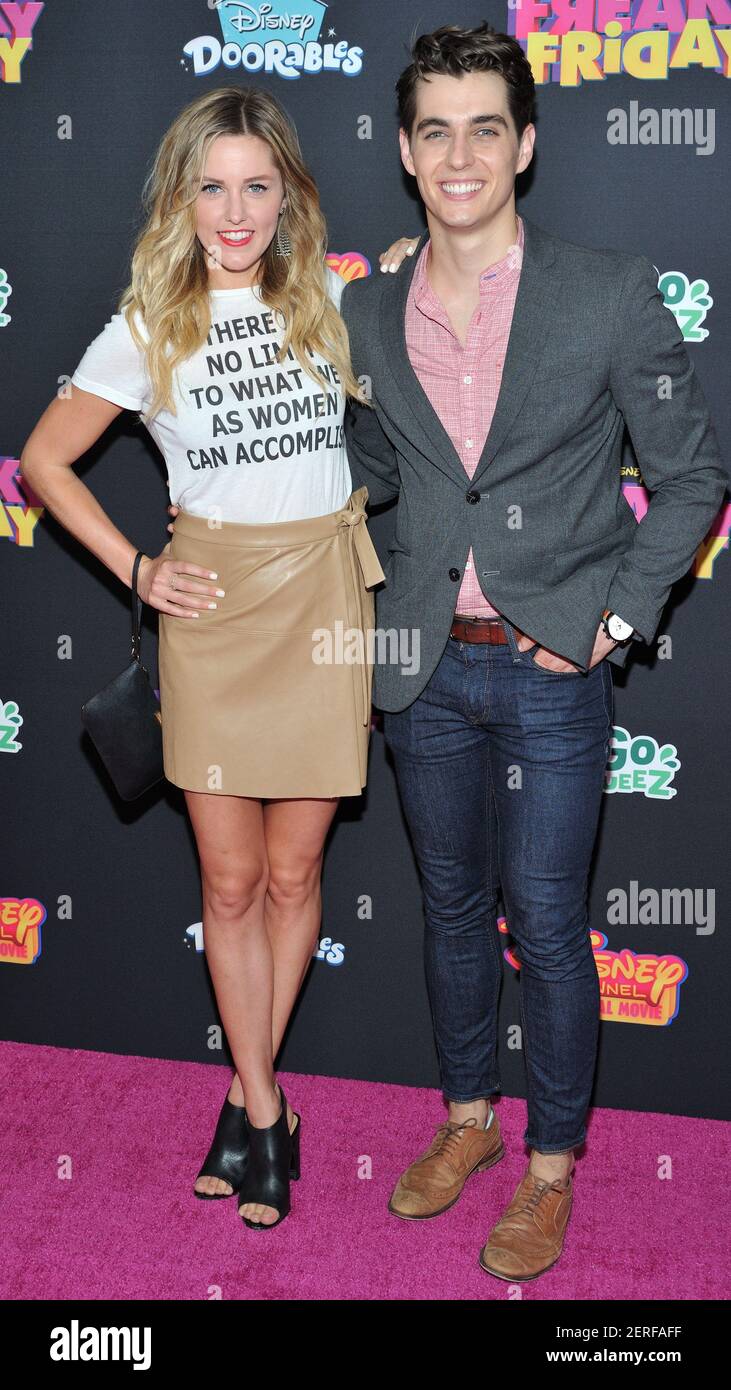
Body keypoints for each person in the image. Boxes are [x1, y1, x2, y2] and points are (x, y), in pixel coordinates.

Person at [340, 22, 727, 1280]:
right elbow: (378, 475)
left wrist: (610, 625)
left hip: (551, 665)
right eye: (435, 130)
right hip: (421, 668)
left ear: (525, 143)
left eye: (484, 127)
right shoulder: (367, 302)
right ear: (405, 151)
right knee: (450, 908)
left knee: (547, 923)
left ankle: (549, 1169)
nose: (460, 154)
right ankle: (465, 1118)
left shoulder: (609, 290)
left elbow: (688, 477)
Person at [19, 85, 390, 1233]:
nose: (234, 211)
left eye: (256, 186)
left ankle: (245, 1103)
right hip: (213, 611)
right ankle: (269, 1108)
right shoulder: (145, 327)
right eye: (211, 186)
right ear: (183, 198)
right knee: (227, 883)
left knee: (292, 877)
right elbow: (42, 459)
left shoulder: (334, 305)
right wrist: (137, 570)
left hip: (323, 601)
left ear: (290, 196)